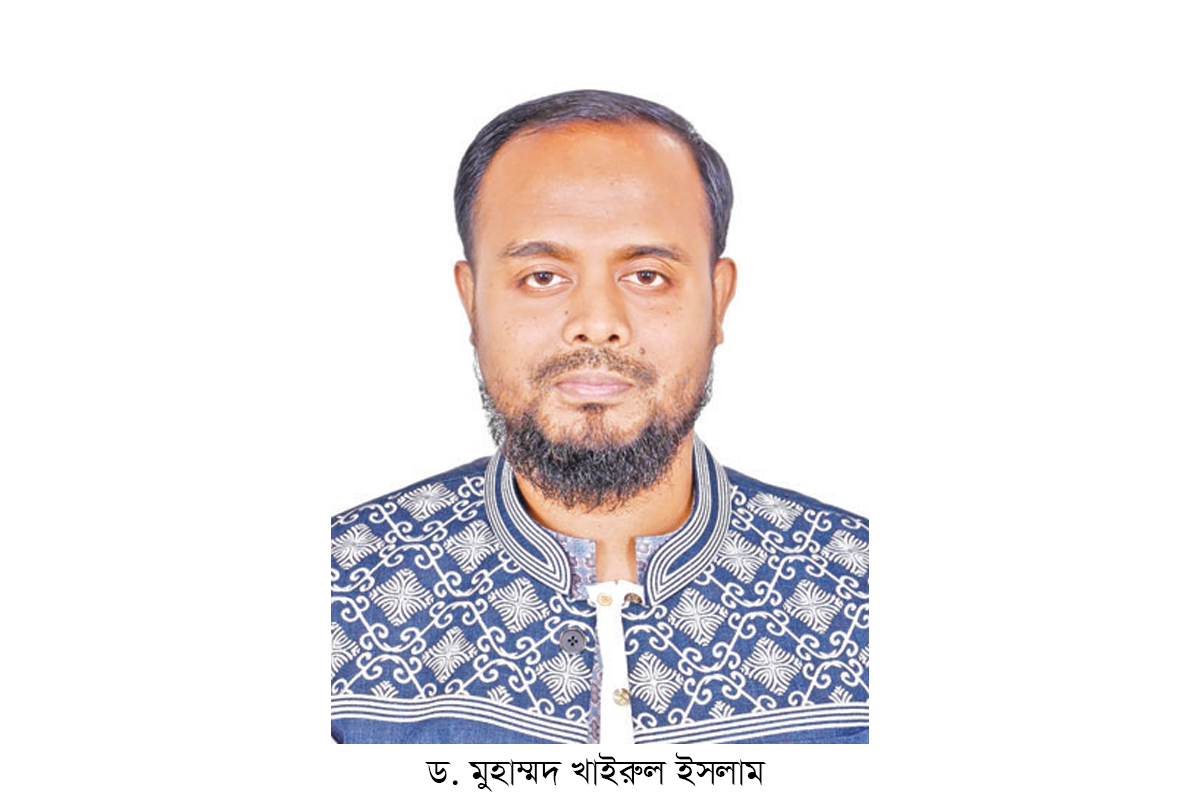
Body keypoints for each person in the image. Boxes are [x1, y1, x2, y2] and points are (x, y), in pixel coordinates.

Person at [330, 90, 868, 744]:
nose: (596, 324)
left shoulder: (863, 592)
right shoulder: (337, 591)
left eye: (647, 275)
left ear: (718, 300)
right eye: (542, 276)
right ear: (472, 303)